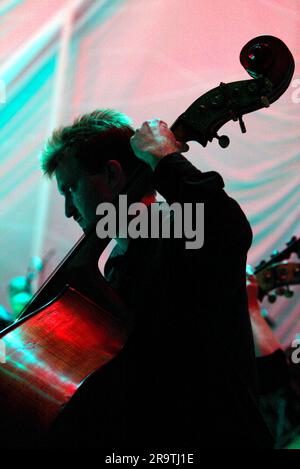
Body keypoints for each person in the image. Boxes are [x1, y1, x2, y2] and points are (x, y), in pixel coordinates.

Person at [40, 109, 273, 448]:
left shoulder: (176, 232)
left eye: (71, 188)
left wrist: (164, 158)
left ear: (111, 173)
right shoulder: (117, 267)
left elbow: (228, 226)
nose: (67, 209)